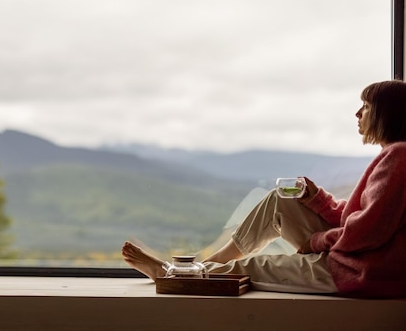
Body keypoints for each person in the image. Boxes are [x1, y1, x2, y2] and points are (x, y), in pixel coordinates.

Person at [122, 80, 406, 298]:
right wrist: (317, 200)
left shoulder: (398, 158)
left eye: (366, 107)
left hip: (360, 270)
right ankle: (207, 266)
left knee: (253, 268)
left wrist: (317, 241)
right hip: (357, 256)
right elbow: (362, 216)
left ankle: (175, 275)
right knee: (280, 201)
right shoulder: (396, 154)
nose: (357, 113)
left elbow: (367, 230)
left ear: (386, 115)